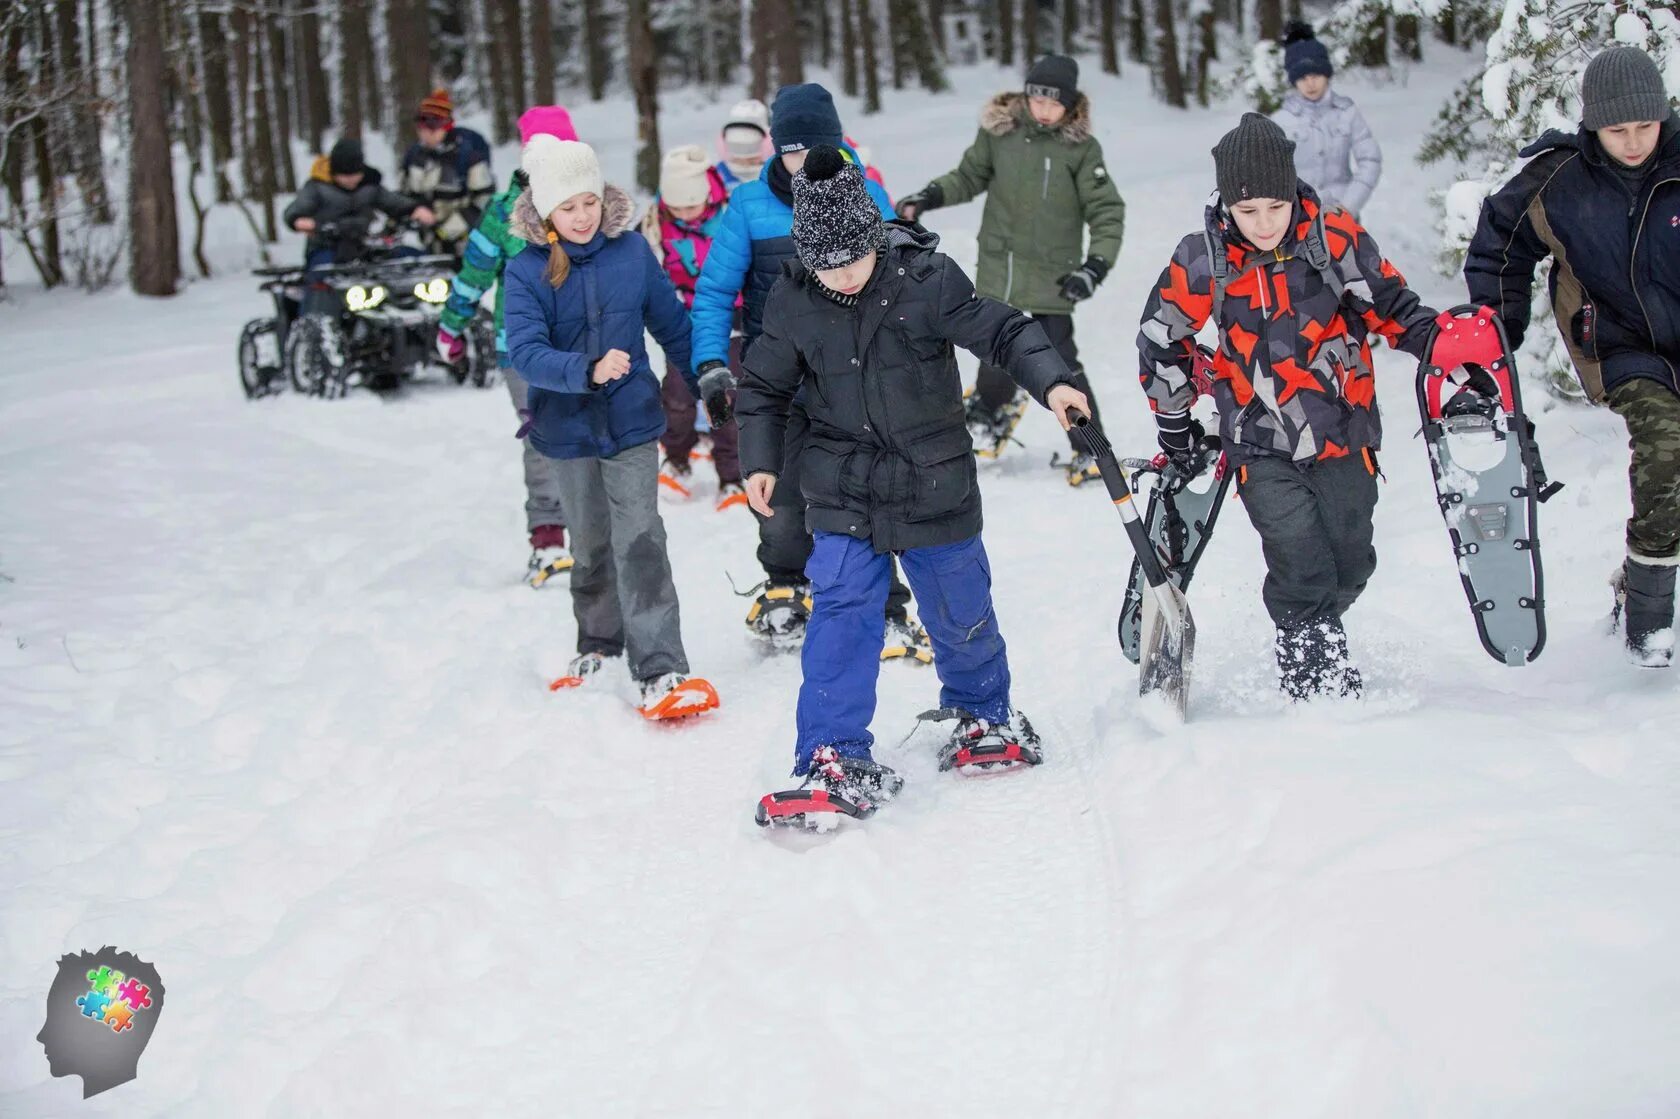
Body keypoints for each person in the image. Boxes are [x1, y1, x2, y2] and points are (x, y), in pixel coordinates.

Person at [738, 147, 1091, 822]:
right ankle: (832, 749)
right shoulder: (793, 300)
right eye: (825, 261)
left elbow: (1005, 329)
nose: (840, 272)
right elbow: (762, 387)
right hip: (841, 484)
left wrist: (1054, 381)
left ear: (873, 237)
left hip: (934, 480)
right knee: (840, 611)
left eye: (852, 256)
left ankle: (983, 712)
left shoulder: (924, 280)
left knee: (959, 608)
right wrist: (759, 458)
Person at [1135, 113, 1437, 700]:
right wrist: (1175, 423)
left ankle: (1320, 622)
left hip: (1344, 431)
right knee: (1298, 554)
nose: (1264, 223)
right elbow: (1160, 337)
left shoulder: (1335, 240)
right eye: (1247, 212)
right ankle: (1314, 674)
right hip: (1257, 441)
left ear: (1293, 191)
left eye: (1274, 207)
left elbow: (1393, 308)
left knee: (1351, 558)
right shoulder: (1205, 259)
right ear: (1226, 204)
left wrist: (1447, 349)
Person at [691, 82, 929, 661]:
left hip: (857, 370)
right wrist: (712, 365)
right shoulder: (748, 204)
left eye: (811, 150)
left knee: (868, 486)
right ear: (776, 150)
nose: (800, 165)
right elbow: (716, 290)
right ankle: (786, 580)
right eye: (789, 152)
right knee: (782, 487)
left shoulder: (865, 191)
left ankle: (887, 598)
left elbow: (906, 275)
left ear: (834, 144)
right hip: (782, 373)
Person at [1465, 45, 1680, 666]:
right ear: (1593, 125)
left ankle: (1633, 584)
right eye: (1618, 130)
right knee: (1667, 443)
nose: (1635, 141)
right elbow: (1498, 246)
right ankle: (1648, 616)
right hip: (1616, 344)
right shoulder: (1559, 179)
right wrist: (1495, 340)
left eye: (1646, 126)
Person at [503, 136, 719, 719]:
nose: (582, 216)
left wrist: (707, 378)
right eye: (568, 206)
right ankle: (598, 642)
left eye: (589, 202)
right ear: (547, 209)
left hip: (629, 421)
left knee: (641, 536)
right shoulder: (525, 270)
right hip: (566, 429)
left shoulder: (630, 254)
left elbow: (673, 324)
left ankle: (661, 666)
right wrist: (585, 370)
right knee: (592, 541)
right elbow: (523, 351)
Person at [895, 53, 1125, 485]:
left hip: (1053, 278)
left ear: (1071, 105)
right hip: (1000, 268)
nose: (1043, 109)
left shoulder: (1081, 149)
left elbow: (1107, 211)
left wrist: (1093, 267)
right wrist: (928, 196)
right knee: (991, 344)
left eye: (1054, 103)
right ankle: (988, 412)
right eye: (1037, 98)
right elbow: (968, 175)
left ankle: (1092, 450)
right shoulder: (1001, 134)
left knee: (1062, 364)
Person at [438, 106, 581, 588]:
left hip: (584, 347)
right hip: (522, 348)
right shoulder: (503, 213)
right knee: (542, 437)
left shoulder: (589, 205)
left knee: (588, 436)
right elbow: (474, 272)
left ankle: (592, 534)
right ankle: (546, 541)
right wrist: (451, 326)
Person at [641, 144, 745, 509]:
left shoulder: (733, 214)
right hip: (683, 320)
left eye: (691, 206)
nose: (684, 214)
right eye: (678, 208)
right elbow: (646, 264)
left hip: (729, 319)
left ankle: (732, 475)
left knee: (726, 397)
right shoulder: (656, 220)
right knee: (678, 395)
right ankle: (677, 457)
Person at [283, 138, 433, 321]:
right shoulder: (317, 187)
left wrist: (415, 209)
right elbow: (297, 208)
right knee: (322, 275)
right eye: (345, 175)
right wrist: (301, 221)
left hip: (364, 247)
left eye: (355, 174)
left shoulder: (370, 186)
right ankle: (311, 325)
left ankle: (422, 314)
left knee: (417, 259)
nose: (351, 180)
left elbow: (393, 202)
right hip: (328, 247)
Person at [1269, 22, 1382, 218]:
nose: (1310, 83)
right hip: (1298, 221)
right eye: (1302, 78)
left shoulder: (1347, 112)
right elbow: (1269, 175)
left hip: (1343, 218)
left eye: (1315, 75)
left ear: (1326, 74)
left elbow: (1370, 160)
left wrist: (1349, 205)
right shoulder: (1280, 121)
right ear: (1294, 81)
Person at [398, 88, 495, 258]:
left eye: (432, 127)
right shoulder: (414, 157)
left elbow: (484, 200)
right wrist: (413, 212)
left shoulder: (469, 156)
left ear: (446, 126)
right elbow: (405, 195)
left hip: (465, 243)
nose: (426, 133)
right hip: (426, 241)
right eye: (421, 127)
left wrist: (446, 231)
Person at [714, 98, 771, 194]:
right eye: (735, 146)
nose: (743, 158)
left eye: (751, 159)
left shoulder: (775, 176)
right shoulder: (717, 177)